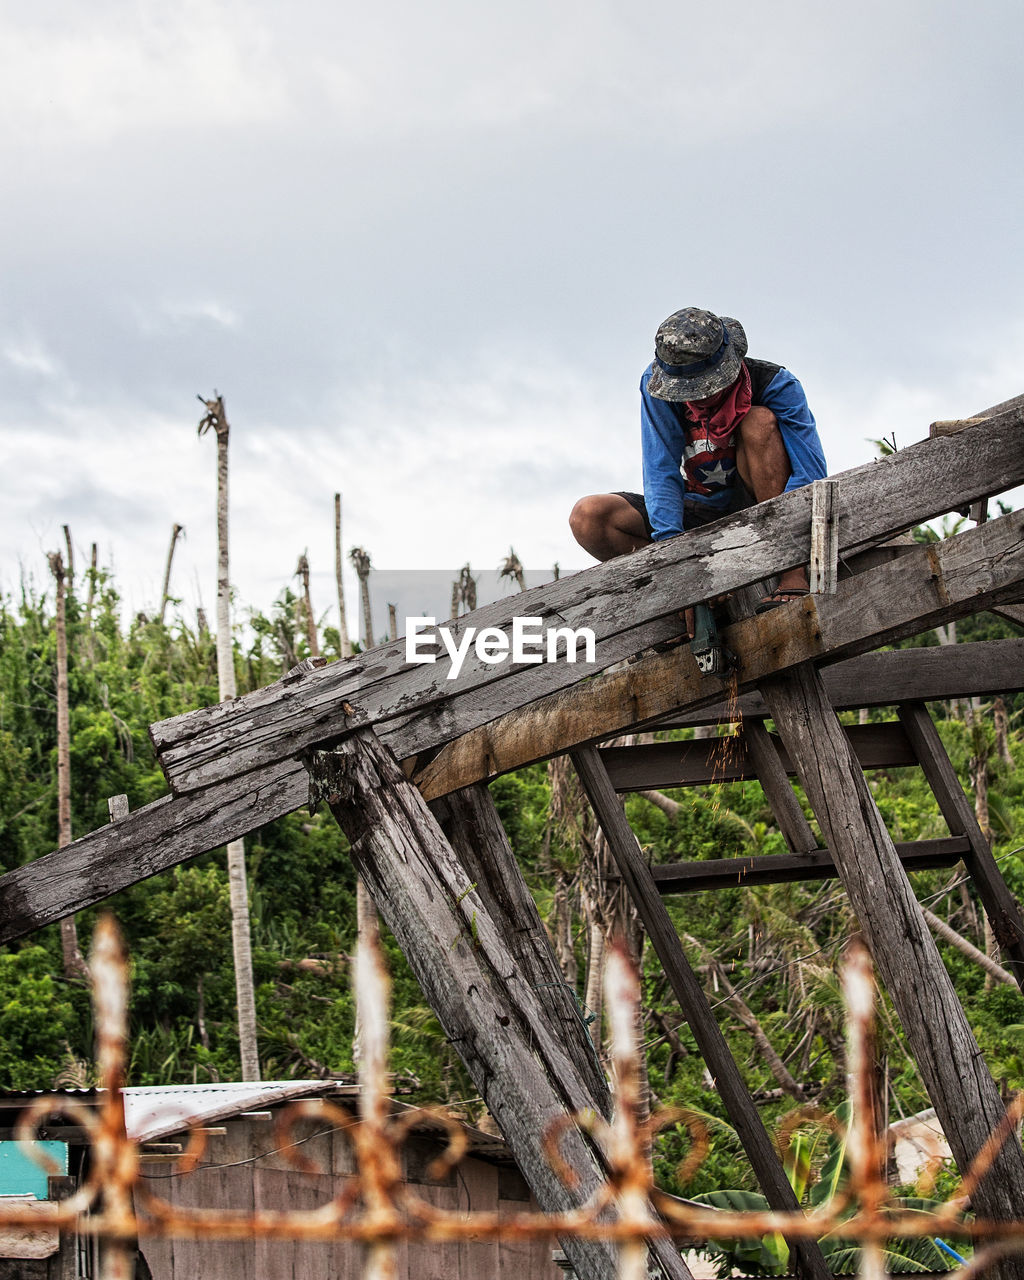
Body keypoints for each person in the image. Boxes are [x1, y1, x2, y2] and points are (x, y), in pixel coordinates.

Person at [569, 307, 827, 612]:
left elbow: (810, 472)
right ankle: (682, 602)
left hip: (756, 508)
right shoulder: (658, 388)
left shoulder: (774, 383)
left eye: (706, 388)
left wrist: (788, 544)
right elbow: (660, 470)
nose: (698, 397)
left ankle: (790, 572)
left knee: (758, 422)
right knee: (589, 516)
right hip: (694, 512)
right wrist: (679, 570)